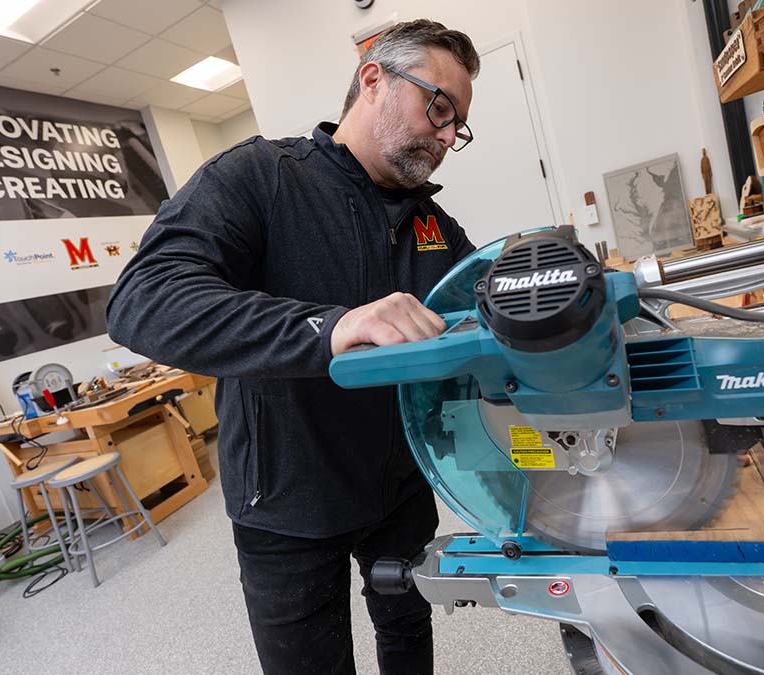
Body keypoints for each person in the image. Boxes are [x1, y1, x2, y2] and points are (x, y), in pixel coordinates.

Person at [105, 19, 480, 675]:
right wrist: (329, 327)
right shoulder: (257, 177)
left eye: (458, 126)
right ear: (373, 79)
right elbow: (144, 302)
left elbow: (481, 303)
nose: (448, 136)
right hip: (288, 502)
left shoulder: (431, 221)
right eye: (439, 107)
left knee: (406, 629)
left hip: (399, 482)